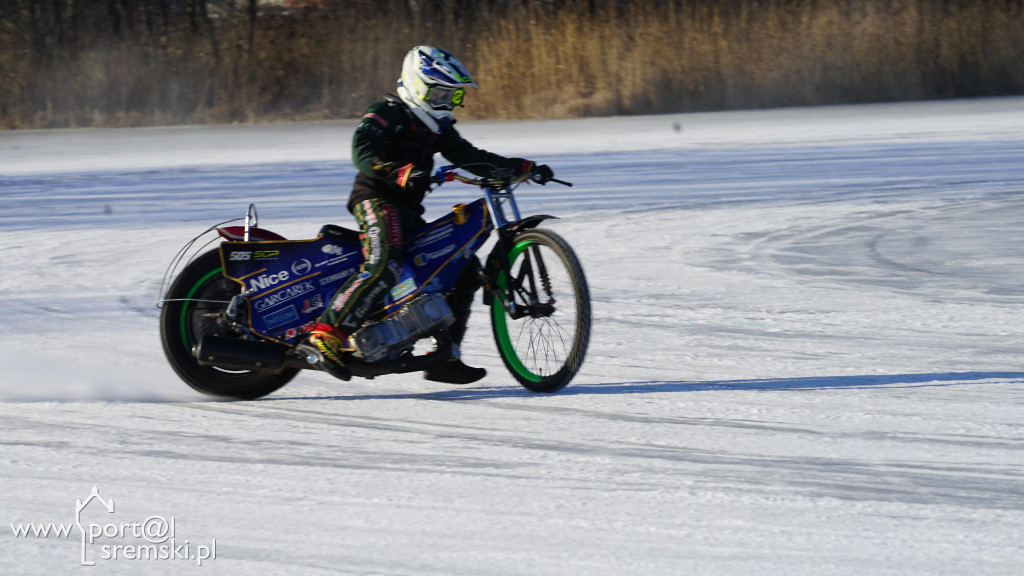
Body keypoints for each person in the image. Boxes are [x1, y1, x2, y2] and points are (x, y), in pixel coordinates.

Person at [308, 45, 555, 385]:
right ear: (415, 85)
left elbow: (470, 156)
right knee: (385, 262)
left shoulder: (437, 129)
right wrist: (399, 172)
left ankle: (444, 357)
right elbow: (362, 150)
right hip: (376, 199)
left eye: (451, 95)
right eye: (437, 92)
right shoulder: (388, 111)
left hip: (408, 211)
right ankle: (328, 333)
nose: (444, 101)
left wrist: (522, 167)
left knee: (464, 269)